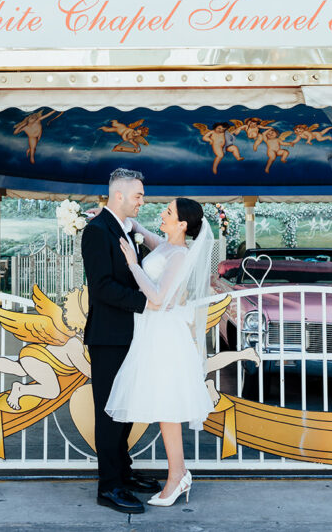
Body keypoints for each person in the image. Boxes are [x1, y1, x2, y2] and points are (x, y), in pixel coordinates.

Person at [106, 197, 215, 507]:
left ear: (182, 224)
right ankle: (179, 473)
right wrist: (125, 220)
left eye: (168, 212)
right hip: (153, 332)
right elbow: (150, 237)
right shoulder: (166, 245)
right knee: (166, 410)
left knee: (168, 410)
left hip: (164, 334)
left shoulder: (179, 255)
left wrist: (132, 264)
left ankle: (177, 477)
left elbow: (156, 298)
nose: (161, 214)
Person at [80, 168, 159, 514]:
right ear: (119, 196)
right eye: (139, 195)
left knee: (124, 411)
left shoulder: (122, 228)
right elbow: (101, 288)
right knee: (109, 413)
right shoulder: (97, 231)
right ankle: (108, 485)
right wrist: (147, 303)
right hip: (109, 337)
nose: (143, 201)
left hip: (130, 335)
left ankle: (123, 473)